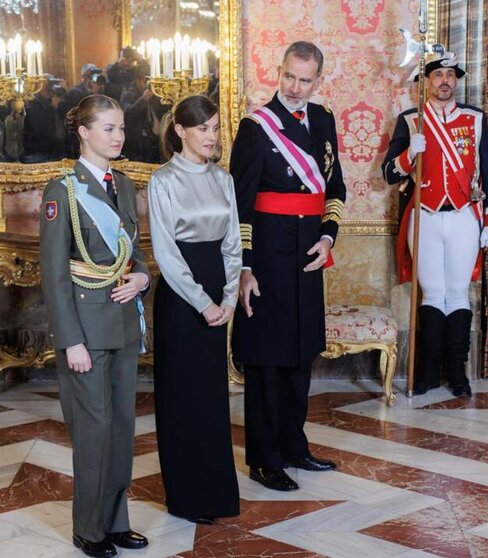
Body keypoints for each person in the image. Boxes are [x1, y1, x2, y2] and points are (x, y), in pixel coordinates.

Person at [229, 41, 346, 492]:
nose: (296, 88)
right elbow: (240, 203)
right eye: (289, 77)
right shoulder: (256, 127)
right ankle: (264, 458)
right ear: (279, 73)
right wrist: (245, 267)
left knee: (301, 353)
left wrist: (327, 235)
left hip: (307, 255)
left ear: (319, 80)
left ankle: (294, 446)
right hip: (267, 255)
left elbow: (334, 187)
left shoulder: (324, 120)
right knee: (266, 358)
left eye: (306, 80)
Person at [40, 94, 150, 558]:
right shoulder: (61, 191)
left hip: (123, 325)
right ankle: (88, 527)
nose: (118, 136)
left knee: (122, 427)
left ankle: (115, 521)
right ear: (84, 133)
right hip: (85, 329)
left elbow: (134, 250)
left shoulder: (123, 184)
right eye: (108, 128)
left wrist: (143, 275)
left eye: (121, 128)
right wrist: (71, 342)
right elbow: (54, 273)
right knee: (93, 430)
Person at [381, 51, 488, 397]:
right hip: (425, 217)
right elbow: (389, 173)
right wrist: (408, 155)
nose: (445, 81)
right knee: (432, 294)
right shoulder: (410, 120)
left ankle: (458, 374)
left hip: (464, 216)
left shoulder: (475, 119)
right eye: (438, 75)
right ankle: (428, 374)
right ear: (426, 82)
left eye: (451, 75)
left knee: (458, 294)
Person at [148, 95, 242, 525]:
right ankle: (185, 497)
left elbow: (232, 244)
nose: (211, 136)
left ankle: (216, 494)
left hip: (216, 296)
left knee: (211, 399)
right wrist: (203, 302)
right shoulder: (162, 180)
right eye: (202, 128)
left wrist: (226, 297)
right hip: (181, 299)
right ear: (181, 131)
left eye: (216, 127)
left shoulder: (223, 179)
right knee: (181, 397)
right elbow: (166, 253)